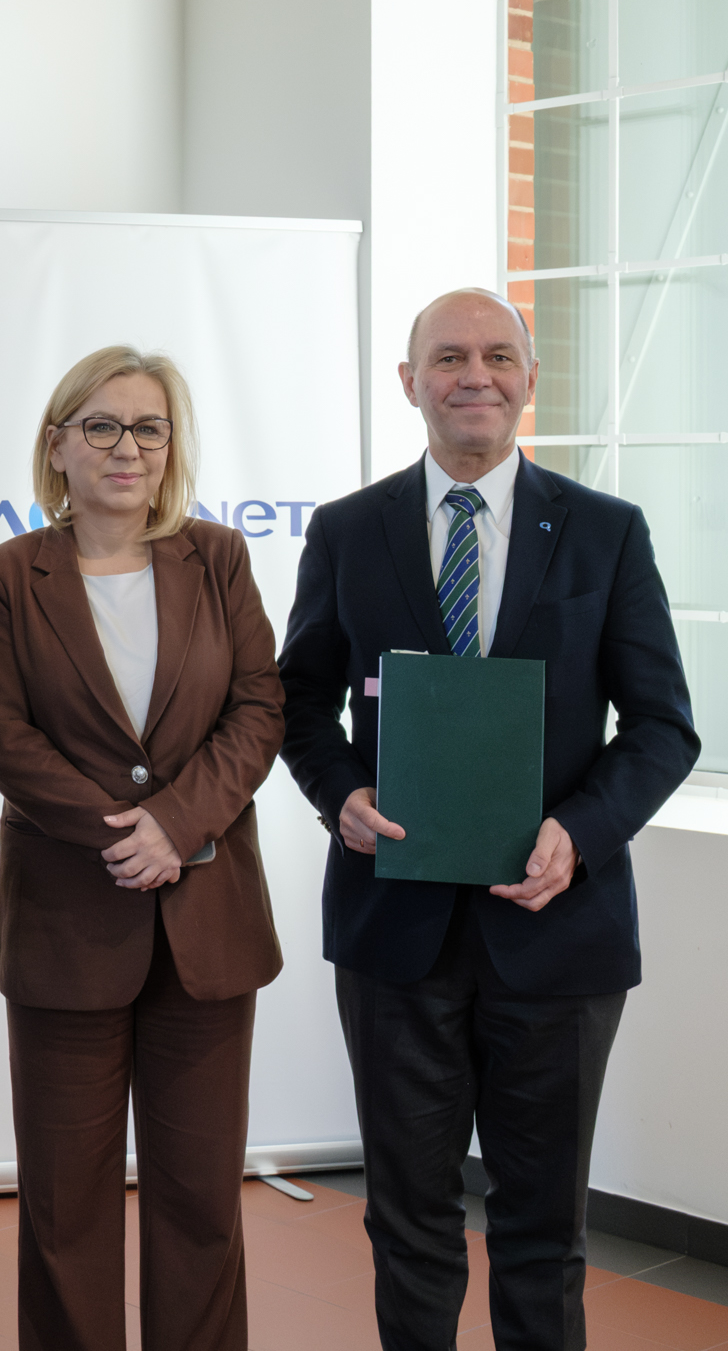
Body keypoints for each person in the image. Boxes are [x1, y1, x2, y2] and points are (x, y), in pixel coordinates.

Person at [279, 288, 699, 1351]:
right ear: (409, 381)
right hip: (393, 932)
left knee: (542, 1230)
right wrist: (339, 793)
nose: (475, 375)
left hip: (558, 930)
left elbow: (662, 727)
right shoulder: (346, 530)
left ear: (530, 379)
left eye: (498, 356)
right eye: (449, 357)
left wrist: (580, 834)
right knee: (408, 1219)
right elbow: (296, 702)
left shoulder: (606, 533)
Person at [0, 347, 284, 1351]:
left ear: (170, 447)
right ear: (57, 444)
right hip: (66, 927)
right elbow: (3, 732)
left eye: (148, 427)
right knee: (65, 1211)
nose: (125, 447)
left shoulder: (217, 558)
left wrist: (175, 826)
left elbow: (258, 707)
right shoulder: (7, 576)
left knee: (201, 1203)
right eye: (100, 425)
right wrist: (127, 832)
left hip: (206, 930)